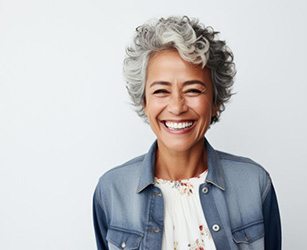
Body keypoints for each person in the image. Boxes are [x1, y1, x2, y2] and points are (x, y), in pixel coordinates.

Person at [93, 16, 281, 250]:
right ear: (144, 102)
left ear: (215, 101)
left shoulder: (254, 183)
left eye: (193, 90)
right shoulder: (111, 190)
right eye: (161, 90)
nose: (177, 107)